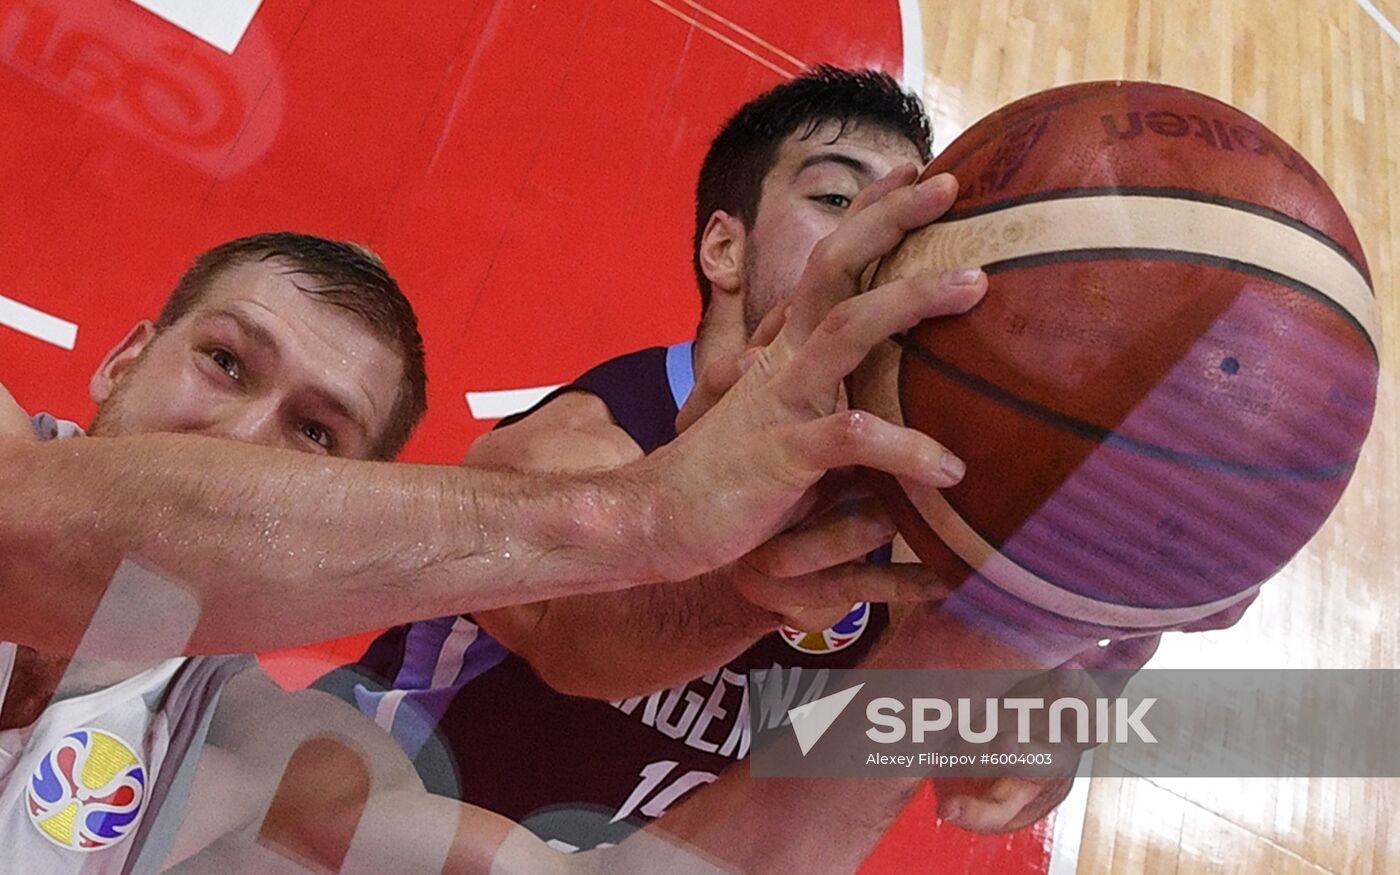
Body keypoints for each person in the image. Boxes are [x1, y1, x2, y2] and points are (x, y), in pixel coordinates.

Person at [0, 187, 987, 871]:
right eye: (224, 360)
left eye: (314, 432)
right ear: (124, 359)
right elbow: (36, 529)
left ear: (343, 504)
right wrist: (640, 515)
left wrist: (964, 654)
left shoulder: (262, 753)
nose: (241, 437)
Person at [320, 67, 1089, 850]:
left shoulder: (910, 498)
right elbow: (577, 639)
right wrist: (761, 586)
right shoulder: (578, 441)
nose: (877, 244)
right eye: (835, 201)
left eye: (905, 223)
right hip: (334, 839)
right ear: (725, 247)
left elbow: (971, 773)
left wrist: (1031, 705)